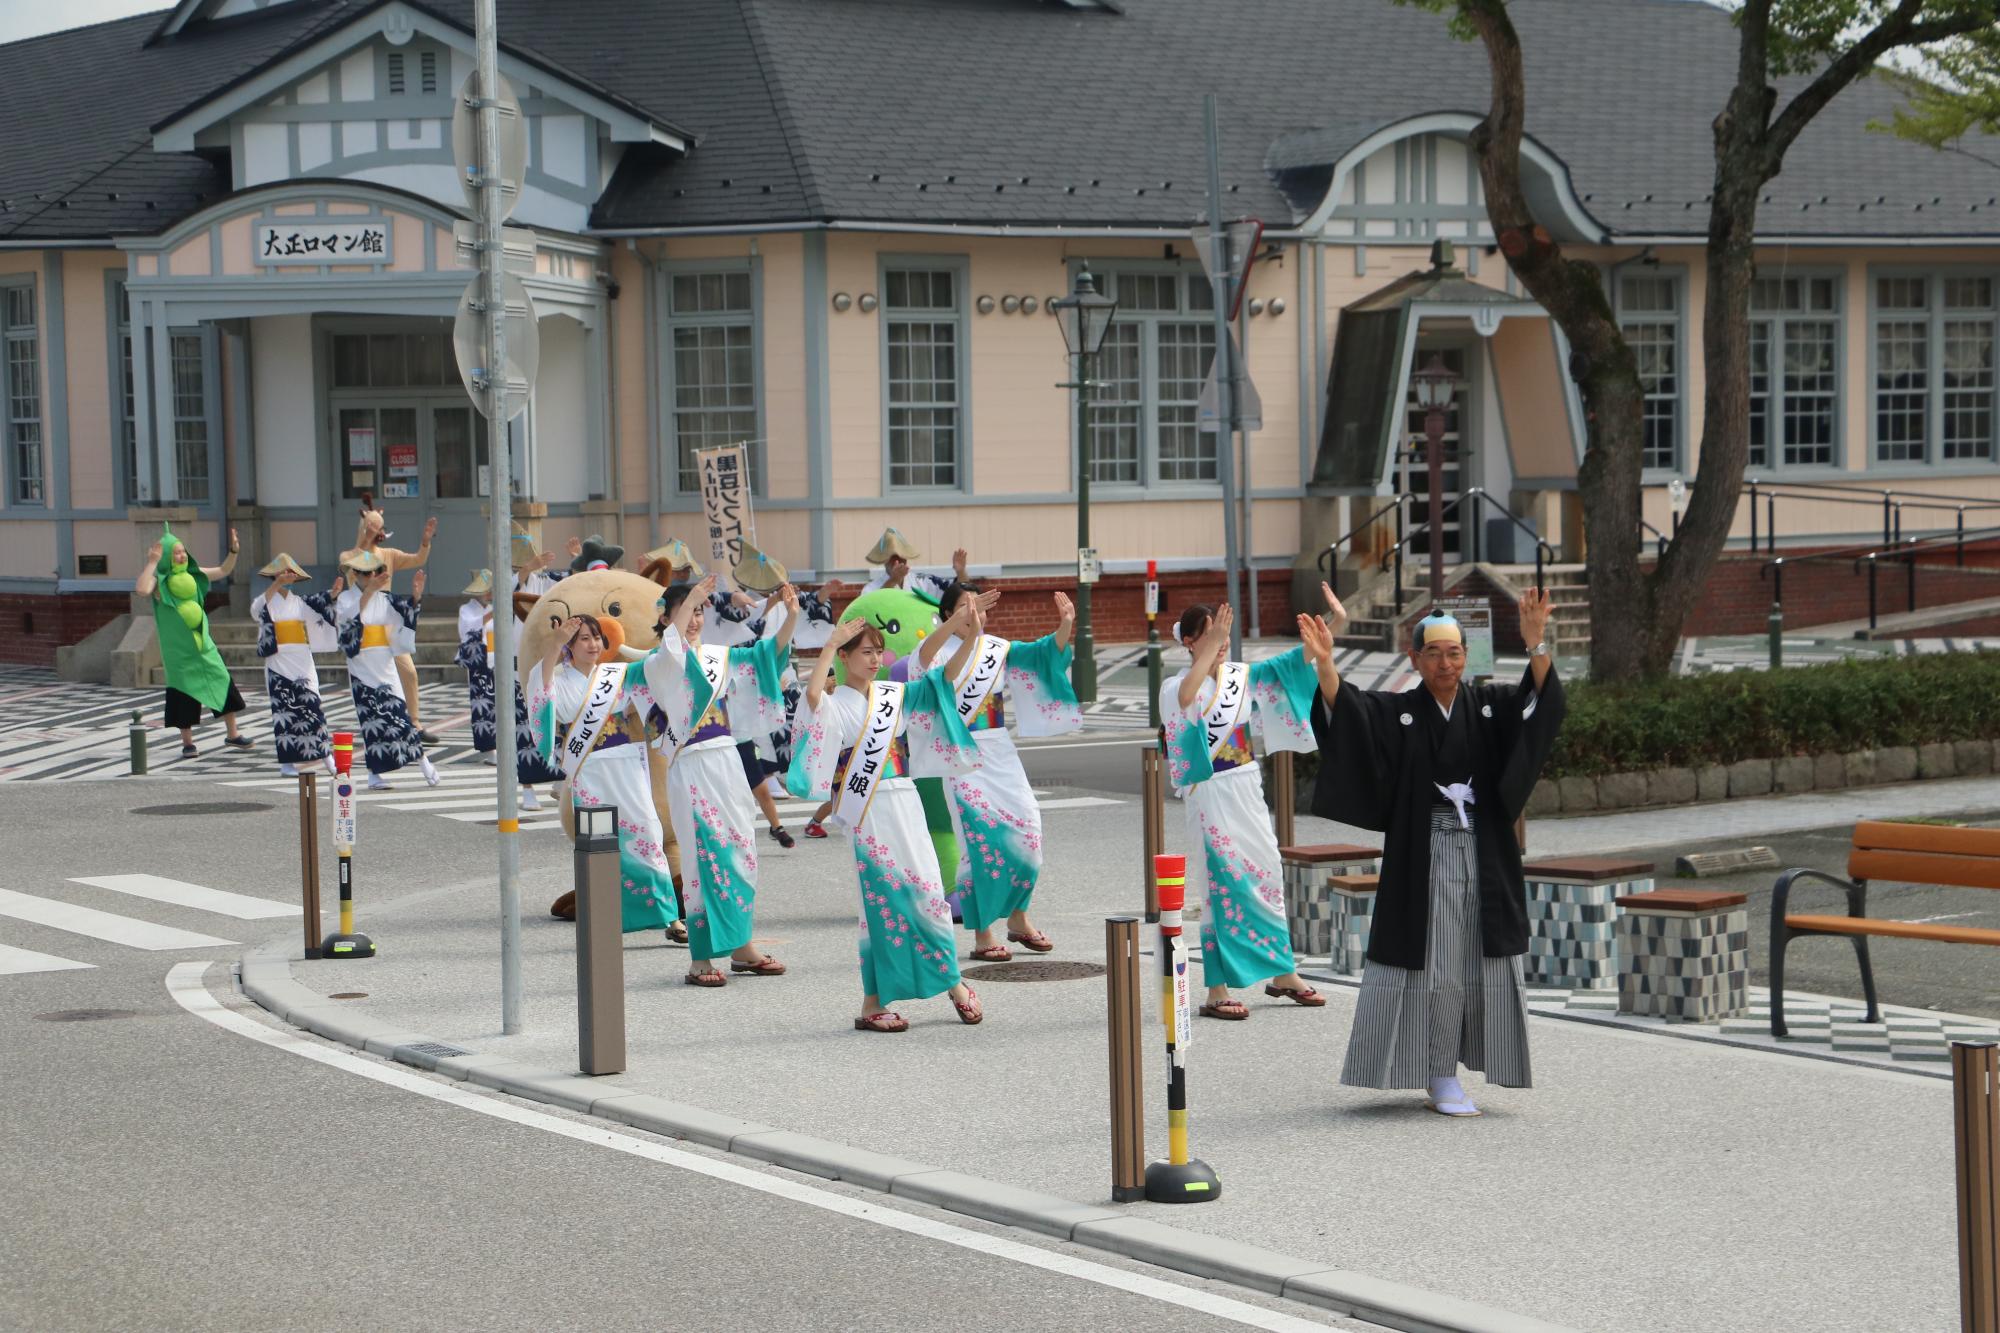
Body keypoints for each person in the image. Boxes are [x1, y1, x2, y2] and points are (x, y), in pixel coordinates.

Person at [1312, 588, 1564, 1118]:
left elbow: (1540, 711)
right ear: (1414, 659)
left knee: (1482, 959)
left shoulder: (1490, 706)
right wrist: (1326, 664)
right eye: (1434, 654)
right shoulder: (1402, 712)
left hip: (1485, 852)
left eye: (1454, 653)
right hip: (1425, 855)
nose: (1445, 663)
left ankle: (1472, 1061)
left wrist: (1536, 643)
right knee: (1439, 965)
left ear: (1465, 657)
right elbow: (1350, 712)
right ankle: (1439, 1071)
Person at [788, 614, 987, 1033]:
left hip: (905, 801)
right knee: (884, 903)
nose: (876, 659)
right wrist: (828, 644)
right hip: (868, 813)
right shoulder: (835, 702)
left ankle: (920, 988)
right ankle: (895, 998)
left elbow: (943, 681)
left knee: (930, 891)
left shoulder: (891, 696)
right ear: (845, 657)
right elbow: (810, 696)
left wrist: (963, 629)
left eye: (879, 651)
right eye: (865, 651)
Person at [1162, 599, 1329, 1021]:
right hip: (1210, 791)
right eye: (1209, 634)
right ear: (1188, 641)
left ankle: (1282, 972)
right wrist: (1210, 649)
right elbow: (1185, 700)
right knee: (1222, 884)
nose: (1221, 643)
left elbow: (1289, 667)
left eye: (1224, 634)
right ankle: (1217, 987)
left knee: (1267, 873)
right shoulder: (1176, 683)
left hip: (1246, 784)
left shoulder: (1241, 677)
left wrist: (1329, 630)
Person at [641, 573, 796, 987]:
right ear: (666, 617)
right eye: (687, 610)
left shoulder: (719, 657)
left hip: (726, 759)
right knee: (702, 855)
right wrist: (692, 594)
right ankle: (701, 957)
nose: (695, 619)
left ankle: (742, 947)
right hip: (691, 764)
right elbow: (673, 657)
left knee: (740, 849)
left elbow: (766, 658)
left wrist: (790, 620)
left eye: (699, 611)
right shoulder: (658, 662)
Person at [916, 583, 1081, 960]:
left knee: (1028, 830)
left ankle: (1019, 917)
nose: (976, 615)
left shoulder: (996, 650)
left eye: (979, 609)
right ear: (947, 615)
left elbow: (1042, 657)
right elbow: (927, 666)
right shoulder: (936, 652)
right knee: (978, 844)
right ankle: (982, 932)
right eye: (965, 608)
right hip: (959, 756)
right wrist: (964, 627)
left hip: (999, 750)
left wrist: (1065, 626)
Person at [528, 613, 680, 939]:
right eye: (583, 638)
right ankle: (604, 918)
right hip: (590, 773)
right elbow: (540, 693)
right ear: (569, 646)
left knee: (647, 835)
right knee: (599, 845)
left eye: (596, 637)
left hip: (626, 766)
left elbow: (656, 677)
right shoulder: (558, 679)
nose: (593, 644)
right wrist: (553, 645)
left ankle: (670, 919)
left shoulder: (616, 675)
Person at [136, 525, 252, 760]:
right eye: (175, 553)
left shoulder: (192, 572)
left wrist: (234, 550)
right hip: (178, 650)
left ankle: (233, 734)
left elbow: (223, 570)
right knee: (183, 693)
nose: (181, 556)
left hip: (202, 644)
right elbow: (141, 589)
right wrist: (152, 562)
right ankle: (188, 743)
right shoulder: (160, 581)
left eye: (182, 551)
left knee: (221, 680)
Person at [337, 551, 440, 790]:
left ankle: (423, 761)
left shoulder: (385, 599)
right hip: (362, 670)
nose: (371, 576)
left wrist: (415, 596)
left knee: (401, 718)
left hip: (384, 665)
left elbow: (405, 614)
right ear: (355, 574)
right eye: (365, 573)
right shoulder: (345, 600)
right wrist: (370, 592)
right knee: (372, 723)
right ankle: (375, 774)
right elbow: (347, 621)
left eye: (374, 572)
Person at [344, 497, 437, 742]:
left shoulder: (389, 554)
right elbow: (349, 568)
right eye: (373, 528)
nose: (378, 533)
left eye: (379, 528)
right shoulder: (350, 556)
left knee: (408, 671)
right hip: (364, 622)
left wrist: (425, 542)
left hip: (387, 615)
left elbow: (418, 559)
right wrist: (366, 534)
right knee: (370, 679)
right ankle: (376, 721)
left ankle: (414, 721)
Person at [249, 554, 341, 776]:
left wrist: (333, 595)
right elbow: (255, 611)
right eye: (282, 573)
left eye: (290, 573)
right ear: (274, 575)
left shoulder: (300, 603)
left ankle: (326, 755)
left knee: (312, 705)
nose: (287, 576)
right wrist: (277, 584)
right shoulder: (265, 601)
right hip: (278, 661)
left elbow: (321, 605)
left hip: (301, 658)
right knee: (284, 711)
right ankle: (287, 763)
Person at [507, 525, 567, 809]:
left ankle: (562, 780)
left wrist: (579, 560)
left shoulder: (548, 579)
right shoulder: (509, 581)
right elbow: (506, 596)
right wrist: (525, 571)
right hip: (521, 662)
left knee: (559, 718)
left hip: (553, 659)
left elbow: (574, 586)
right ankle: (527, 788)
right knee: (525, 725)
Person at [457, 570, 498, 765]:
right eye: (487, 590)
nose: (490, 594)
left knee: (502, 705)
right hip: (479, 662)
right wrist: (491, 614)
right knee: (483, 706)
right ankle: (490, 750)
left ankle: (503, 745)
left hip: (498, 660)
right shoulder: (466, 610)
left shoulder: (492, 608)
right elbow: (468, 629)